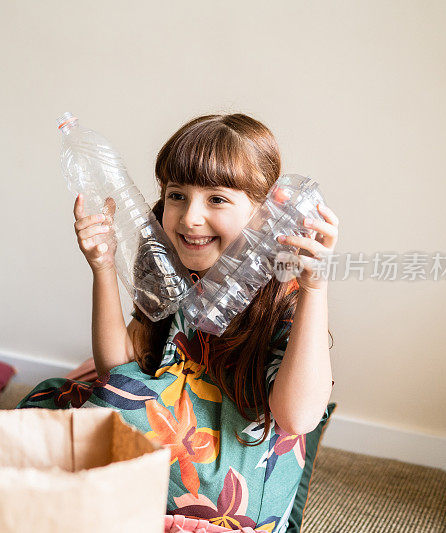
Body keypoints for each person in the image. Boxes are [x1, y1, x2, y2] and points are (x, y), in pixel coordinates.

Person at [17, 113, 338, 532]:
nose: (189, 218)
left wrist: (315, 289)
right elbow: (122, 372)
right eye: (177, 195)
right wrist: (103, 267)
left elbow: (297, 419)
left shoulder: (280, 291)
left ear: (265, 212)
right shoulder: (169, 262)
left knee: (95, 420)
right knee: (51, 410)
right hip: (162, 432)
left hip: (232, 474)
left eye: (217, 199)